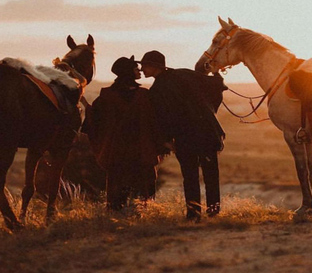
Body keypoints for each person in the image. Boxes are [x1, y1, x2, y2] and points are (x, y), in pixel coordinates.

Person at [139, 50, 226, 221]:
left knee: (190, 175)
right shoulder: (184, 74)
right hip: (206, 132)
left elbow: (161, 119)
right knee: (210, 173)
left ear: (153, 66)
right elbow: (216, 85)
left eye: (144, 66)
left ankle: (193, 214)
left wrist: (166, 141)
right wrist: (209, 110)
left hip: (185, 138)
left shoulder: (155, 91)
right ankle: (213, 211)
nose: (142, 70)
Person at [83, 56, 165, 210]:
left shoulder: (108, 95)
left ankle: (116, 213)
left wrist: (87, 108)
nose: (139, 71)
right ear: (128, 72)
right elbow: (155, 121)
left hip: (117, 151)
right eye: (135, 69)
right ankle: (143, 212)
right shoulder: (143, 95)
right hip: (140, 149)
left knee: (117, 184)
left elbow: (95, 120)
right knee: (143, 186)